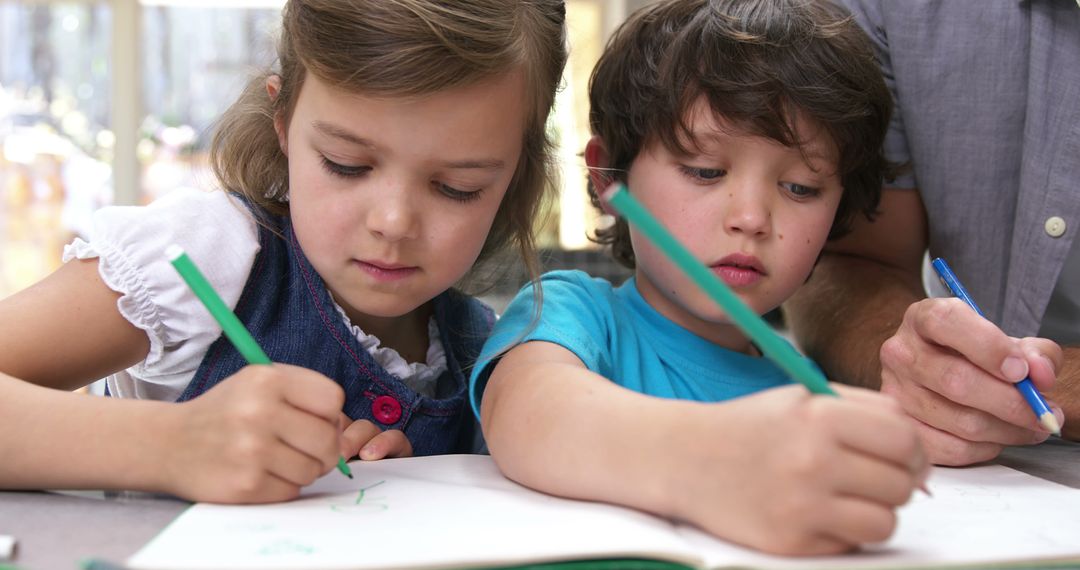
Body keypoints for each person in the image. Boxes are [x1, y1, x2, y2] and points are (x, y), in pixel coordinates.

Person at [0, 0, 567, 503]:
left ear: (518, 173)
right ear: (282, 121)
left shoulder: (479, 345)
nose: (393, 223)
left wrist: (396, 493)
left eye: (456, 188)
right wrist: (172, 446)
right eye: (347, 164)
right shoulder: (208, 255)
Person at [470, 0, 927, 557]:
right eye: (706, 171)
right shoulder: (573, 315)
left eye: (802, 188)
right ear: (608, 174)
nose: (752, 219)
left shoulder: (810, 398)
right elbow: (524, 414)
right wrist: (704, 462)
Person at [784, 0, 1079, 468]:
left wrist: (1066, 385)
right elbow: (851, 261)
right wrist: (922, 365)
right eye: (706, 171)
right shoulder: (884, 11)